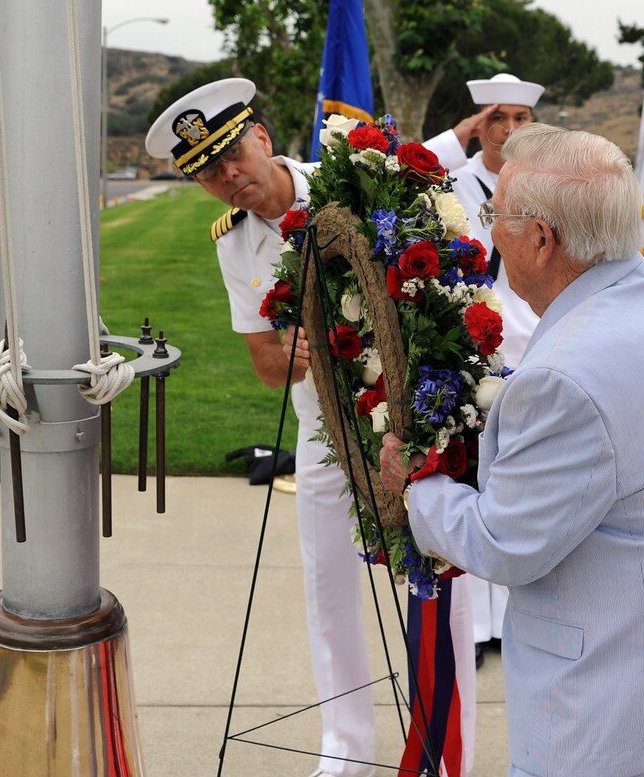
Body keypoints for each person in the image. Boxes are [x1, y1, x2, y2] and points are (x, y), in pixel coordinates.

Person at [379, 123, 644, 777]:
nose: (487, 231)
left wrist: (415, 485)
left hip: (605, 706)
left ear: (541, 238)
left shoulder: (563, 373)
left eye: (496, 216)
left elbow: (505, 543)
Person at [145, 78, 476, 777]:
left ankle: (450, 750)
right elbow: (266, 362)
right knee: (327, 584)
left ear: (262, 137)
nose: (227, 175)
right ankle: (347, 745)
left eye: (231, 152)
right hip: (324, 435)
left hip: (415, 421)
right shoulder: (234, 246)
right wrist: (289, 352)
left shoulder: (356, 179)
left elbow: (440, 281)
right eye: (207, 170)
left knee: (439, 587)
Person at [426, 73, 545, 667]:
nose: (513, 129)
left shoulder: (546, 189)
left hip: (540, 350)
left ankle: (511, 621)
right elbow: (408, 170)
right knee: (471, 481)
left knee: (520, 488)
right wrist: (459, 137)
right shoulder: (453, 181)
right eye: (501, 118)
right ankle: (472, 626)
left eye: (524, 119)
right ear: (480, 124)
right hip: (475, 356)